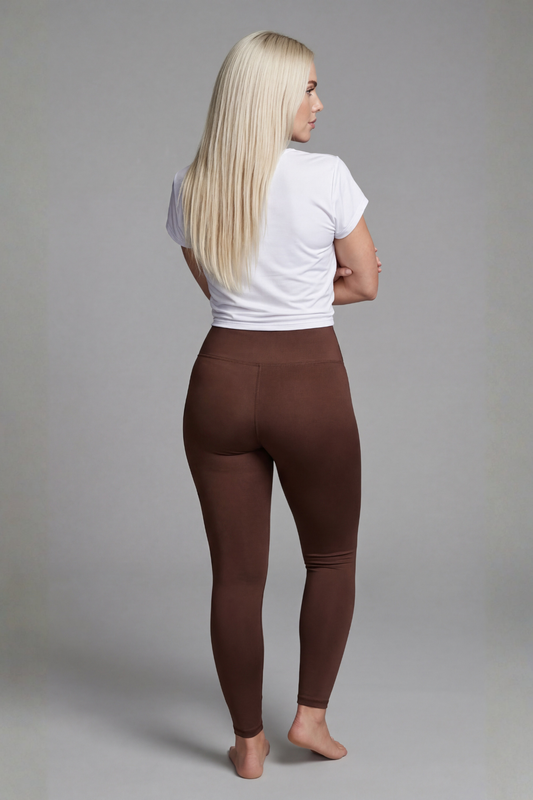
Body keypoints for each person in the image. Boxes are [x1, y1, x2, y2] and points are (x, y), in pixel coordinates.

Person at [166, 30, 381, 780]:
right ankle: (310, 718)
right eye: (308, 88)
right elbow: (365, 282)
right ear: (271, 97)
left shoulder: (191, 184)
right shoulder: (326, 176)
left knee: (235, 576)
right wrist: (318, 282)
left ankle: (248, 743)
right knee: (331, 556)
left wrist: (281, 290)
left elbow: (220, 289)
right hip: (308, 383)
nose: (319, 104)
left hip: (220, 381)